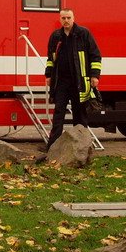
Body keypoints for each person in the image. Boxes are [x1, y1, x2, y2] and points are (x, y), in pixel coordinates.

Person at [44, 8, 102, 148]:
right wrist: (48, 75)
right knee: (58, 113)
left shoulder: (83, 34)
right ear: (60, 19)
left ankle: (81, 146)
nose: (66, 20)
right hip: (61, 82)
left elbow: (95, 55)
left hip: (79, 82)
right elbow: (50, 58)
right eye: (63, 18)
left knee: (79, 114)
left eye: (68, 18)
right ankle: (53, 146)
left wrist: (94, 76)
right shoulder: (56, 36)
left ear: (73, 18)